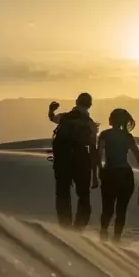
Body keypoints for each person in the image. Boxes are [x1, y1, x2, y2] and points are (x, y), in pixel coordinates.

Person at [48, 93, 99, 229]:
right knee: (83, 196)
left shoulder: (65, 118)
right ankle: (78, 230)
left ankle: (65, 227)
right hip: (81, 160)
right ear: (90, 105)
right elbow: (93, 148)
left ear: (77, 102)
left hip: (62, 161)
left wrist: (51, 110)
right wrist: (95, 174)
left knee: (62, 194)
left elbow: (53, 118)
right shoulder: (90, 123)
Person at [97, 108, 139, 243]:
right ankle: (116, 239)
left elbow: (98, 154)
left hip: (110, 173)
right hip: (125, 175)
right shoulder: (127, 137)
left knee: (107, 207)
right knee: (121, 209)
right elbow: (138, 156)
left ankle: (103, 234)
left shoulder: (104, 135)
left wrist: (99, 170)